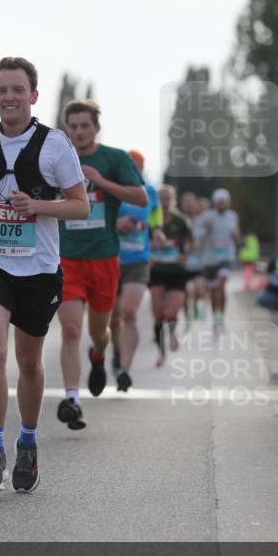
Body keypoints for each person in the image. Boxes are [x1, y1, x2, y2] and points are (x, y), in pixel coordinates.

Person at [0, 56, 89, 491]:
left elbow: (80, 204)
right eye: (1, 90)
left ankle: (27, 442)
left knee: (28, 361)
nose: (9, 97)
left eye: (17, 90)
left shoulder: (55, 146)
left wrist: (38, 207)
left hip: (37, 267)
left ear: (32, 96)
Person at [56, 101, 146, 428]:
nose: (79, 132)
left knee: (99, 330)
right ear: (67, 129)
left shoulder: (114, 158)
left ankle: (98, 356)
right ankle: (72, 399)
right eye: (74, 126)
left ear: (96, 127)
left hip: (104, 258)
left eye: (85, 125)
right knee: (69, 329)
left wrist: (100, 181)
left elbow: (140, 197)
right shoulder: (56, 158)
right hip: (67, 257)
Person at [109, 150, 159, 392]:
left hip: (139, 260)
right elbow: (97, 217)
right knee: (113, 318)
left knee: (129, 312)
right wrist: (115, 224)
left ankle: (125, 370)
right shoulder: (112, 191)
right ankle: (117, 354)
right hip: (111, 259)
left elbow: (155, 217)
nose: (133, 171)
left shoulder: (149, 193)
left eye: (137, 167)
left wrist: (157, 230)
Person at [148, 185, 192, 366]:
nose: (164, 202)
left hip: (176, 271)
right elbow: (142, 241)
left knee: (172, 312)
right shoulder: (152, 221)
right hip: (157, 270)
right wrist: (150, 248)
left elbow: (193, 242)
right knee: (159, 314)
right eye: (161, 198)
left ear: (172, 200)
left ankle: (173, 331)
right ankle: (161, 353)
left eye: (167, 198)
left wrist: (186, 253)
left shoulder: (181, 221)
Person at [200, 188, 241, 332]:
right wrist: (206, 228)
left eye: (225, 202)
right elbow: (198, 235)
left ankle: (221, 316)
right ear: (215, 202)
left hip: (226, 257)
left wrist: (236, 235)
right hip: (210, 259)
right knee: (213, 290)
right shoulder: (207, 216)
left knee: (220, 286)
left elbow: (237, 237)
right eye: (220, 202)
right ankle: (216, 316)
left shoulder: (233, 216)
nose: (222, 205)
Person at [180, 191, 208, 324]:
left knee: (199, 288)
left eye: (191, 203)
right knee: (185, 292)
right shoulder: (178, 220)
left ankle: (196, 305)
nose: (188, 206)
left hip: (198, 262)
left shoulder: (203, 221)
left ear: (196, 205)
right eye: (185, 204)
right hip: (183, 263)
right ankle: (187, 319)